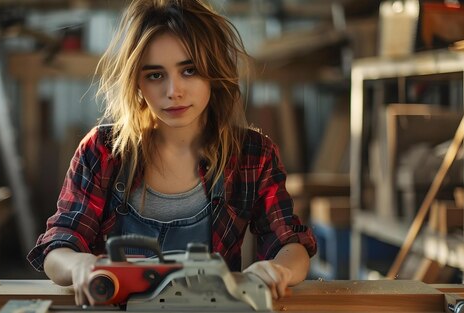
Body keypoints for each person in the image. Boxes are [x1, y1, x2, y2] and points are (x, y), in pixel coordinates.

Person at [27, 0, 317, 305]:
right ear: (137, 81)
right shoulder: (102, 151)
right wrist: (79, 265)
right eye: (155, 75)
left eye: (189, 70)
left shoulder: (253, 156)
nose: (173, 91)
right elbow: (58, 246)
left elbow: (290, 242)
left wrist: (278, 269)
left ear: (215, 73)